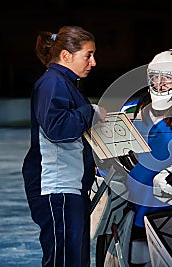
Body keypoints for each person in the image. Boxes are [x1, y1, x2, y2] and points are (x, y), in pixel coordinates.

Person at [95, 50, 172, 266]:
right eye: (156, 76)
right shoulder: (129, 111)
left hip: (167, 214)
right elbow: (107, 160)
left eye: (168, 77)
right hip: (126, 211)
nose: (160, 82)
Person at [22, 25, 106, 267]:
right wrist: (89, 112)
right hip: (57, 187)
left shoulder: (65, 83)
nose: (93, 62)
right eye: (88, 55)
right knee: (65, 260)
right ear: (66, 55)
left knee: (74, 259)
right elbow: (58, 129)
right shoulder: (52, 83)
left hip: (69, 186)